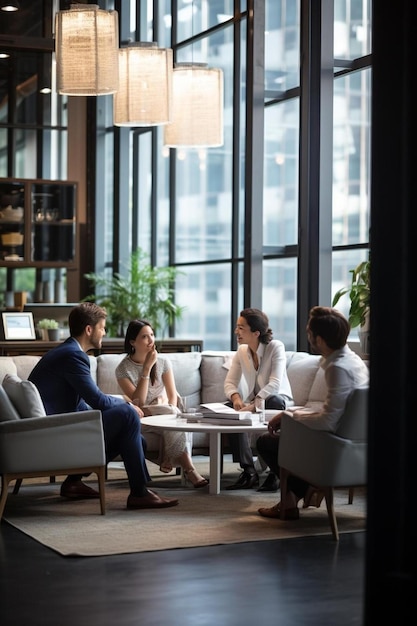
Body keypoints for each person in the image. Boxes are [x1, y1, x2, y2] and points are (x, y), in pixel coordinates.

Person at [28, 302, 179, 510]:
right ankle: (139, 493)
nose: (104, 332)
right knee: (127, 415)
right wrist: (127, 405)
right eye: (102, 327)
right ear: (89, 329)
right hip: (55, 431)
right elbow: (97, 400)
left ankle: (74, 482)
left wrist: (122, 403)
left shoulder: (68, 351)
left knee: (138, 442)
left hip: (57, 425)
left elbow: (81, 402)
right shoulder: (73, 355)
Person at [256, 305, 370, 520]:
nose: (308, 336)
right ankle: (294, 498)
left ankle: (291, 500)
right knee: (285, 436)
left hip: (333, 450)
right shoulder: (353, 361)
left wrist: (291, 417)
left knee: (266, 442)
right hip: (354, 446)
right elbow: (336, 412)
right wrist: (294, 414)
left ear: (319, 339)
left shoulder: (338, 369)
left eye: (309, 332)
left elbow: (327, 421)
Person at [115, 319, 209, 488]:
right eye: (144, 337)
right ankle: (190, 470)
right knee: (170, 413)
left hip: (165, 415)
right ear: (132, 342)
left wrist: (165, 408)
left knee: (172, 412)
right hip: (143, 419)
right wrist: (146, 369)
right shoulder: (123, 369)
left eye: (151, 335)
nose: (151, 340)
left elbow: (173, 397)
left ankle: (186, 467)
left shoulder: (164, 362)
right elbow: (139, 402)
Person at [224, 308, 294, 491]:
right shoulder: (241, 352)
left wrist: (254, 405)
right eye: (236, 327)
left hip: (276, 400)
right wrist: (237, 398)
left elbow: (275, 384)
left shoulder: (275, 347)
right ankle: (249, 471)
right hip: (251, 402)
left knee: (275, 402)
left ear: (256, 333)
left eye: (241, 328)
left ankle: (274, 472)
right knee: (228, 409)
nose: (236, 332)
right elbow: (230, 382)